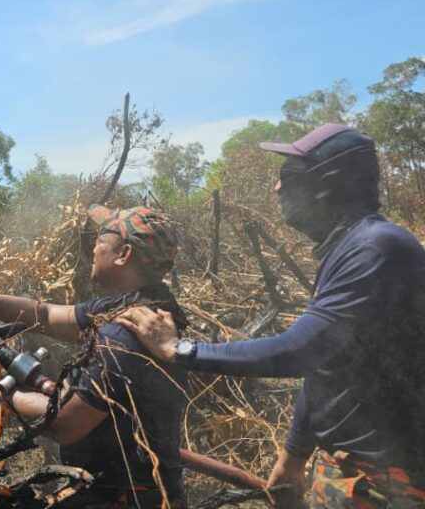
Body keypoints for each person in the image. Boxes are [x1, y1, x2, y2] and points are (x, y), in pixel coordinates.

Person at [116, 124, 425, 508]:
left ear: (327, 183)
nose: (277, 188)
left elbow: (300, 351)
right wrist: (294, 455)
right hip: (352, 471)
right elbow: (328, 367)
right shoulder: (351, 247)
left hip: (389, 482)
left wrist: (179, 349)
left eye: (288, 175)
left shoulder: (377, 248)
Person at [0, 205, 189, 508]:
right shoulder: (139, 307)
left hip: (124, 498)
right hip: (133, 489)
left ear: (124, 254)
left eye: (101, 240)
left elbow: (63, 424)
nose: (94, 249)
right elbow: (48, 315)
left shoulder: (124, 334)